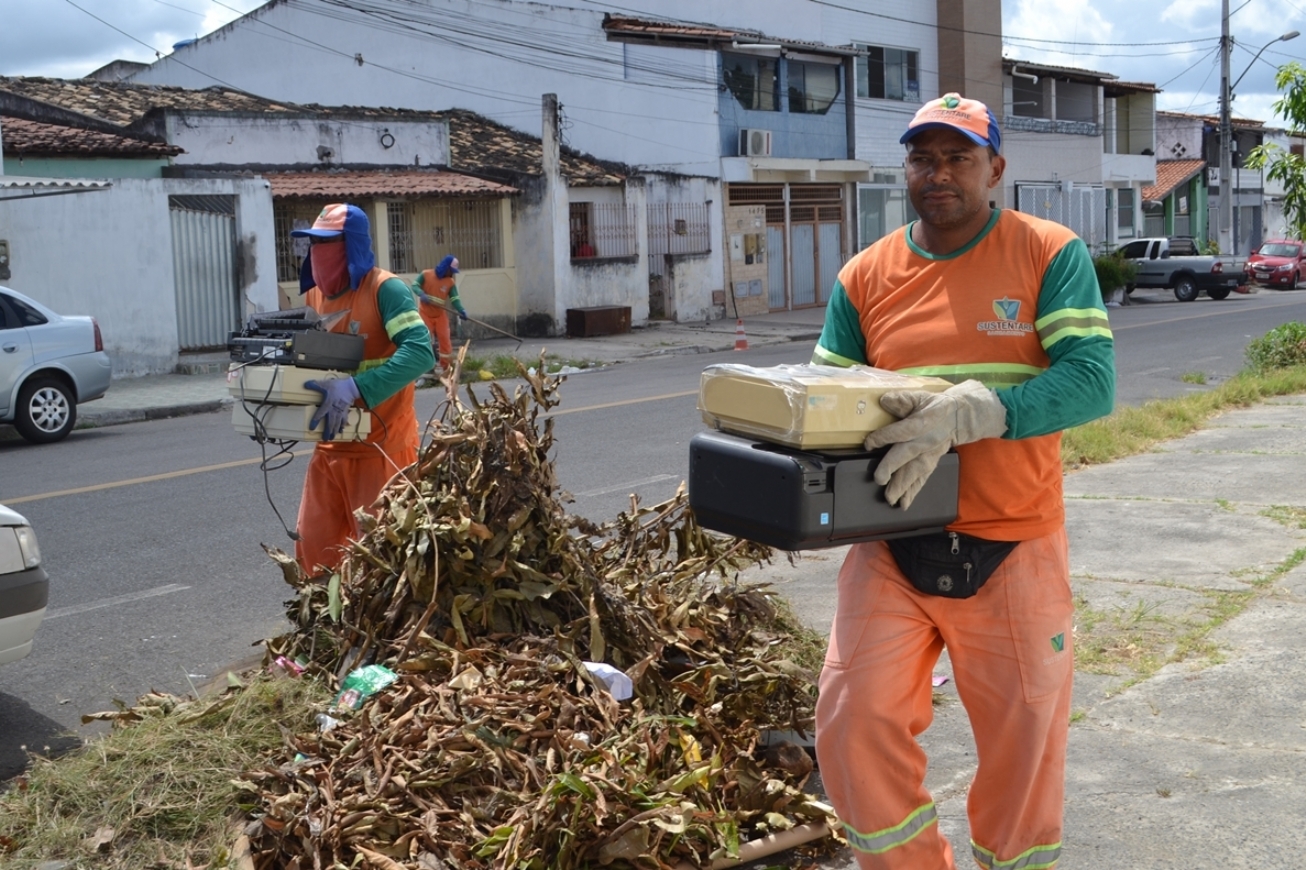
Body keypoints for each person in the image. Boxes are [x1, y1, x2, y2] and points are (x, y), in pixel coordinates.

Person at [810, 94, 1115, 870]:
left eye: (958, 157)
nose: (936, 173)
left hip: (1013, 541)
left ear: (996, 170)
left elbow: (1091, 382)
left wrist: (984, 412)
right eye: (922, 157)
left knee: (1023, 748)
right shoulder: (865, 275)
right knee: (853, 724)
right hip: (889, 541)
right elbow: (821, 406)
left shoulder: (1049, 252)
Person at [291, 203, 434, 576]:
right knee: (313, 551)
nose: (317, 254)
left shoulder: (386, 290)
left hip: (381, 450)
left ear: (350, 245)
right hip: (330, 447)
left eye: (326, 244)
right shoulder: (314, 295)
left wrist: (357, 387)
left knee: (380, 562)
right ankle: (324, 629)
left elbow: (421, 353)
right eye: (313, 244)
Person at [411, 254, 468, 374]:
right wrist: (421, 294)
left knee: (445, 340)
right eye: (451, 271)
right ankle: (427, 369)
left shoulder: (450, 282)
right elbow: (414, 285)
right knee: (425, 340)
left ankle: (446, 368)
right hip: (425, 314)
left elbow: (454, 298)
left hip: (440, 315)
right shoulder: (426, 275)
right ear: (445, 267)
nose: (451, 273)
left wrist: (460, 310)